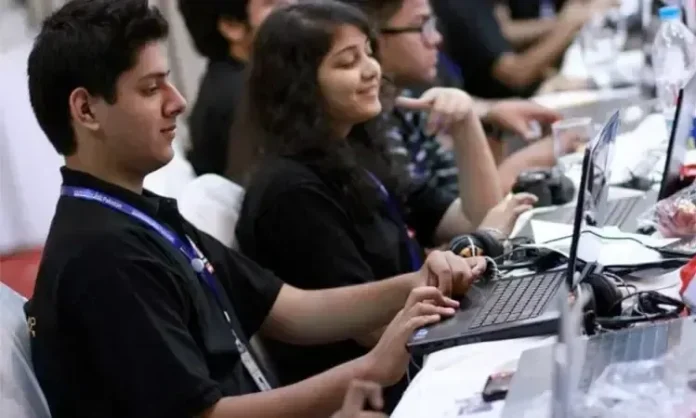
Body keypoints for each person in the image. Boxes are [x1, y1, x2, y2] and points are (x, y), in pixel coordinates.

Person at [24, 1, 484, 417]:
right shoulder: (103, 256)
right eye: (151, 89)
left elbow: (291, 310)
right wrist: (371, 368)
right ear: (86, 110)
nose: (177, 102)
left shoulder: (136, 214)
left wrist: (418, 283)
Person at [233, 2, 514, 409]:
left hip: (425, 359)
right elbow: (372, 331)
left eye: (369, 53)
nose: (372, 70)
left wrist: (466, 123)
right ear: (299, 84)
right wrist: (479, 248)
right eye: (348, 62)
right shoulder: (290, 193)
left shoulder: (354, 151)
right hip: (387, 396)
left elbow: (472, 216)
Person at [342, 0, 582, 199]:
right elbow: (457, 219)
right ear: (375, 39)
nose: (436, 38)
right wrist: (526, 165)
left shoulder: (403, 102)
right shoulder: (375, 126)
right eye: (421, 26)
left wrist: (490, 116)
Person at [178, 0, 294, 179]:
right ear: (232, 26)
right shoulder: (245, 97)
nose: (293, 4)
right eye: (271, 3)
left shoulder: (233, 80)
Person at [433, 0, 617, 99]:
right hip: (501, 122)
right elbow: (515, 75)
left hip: (528, 96)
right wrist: (569, 25)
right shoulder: (463, 5)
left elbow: (503, 31)